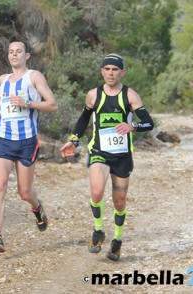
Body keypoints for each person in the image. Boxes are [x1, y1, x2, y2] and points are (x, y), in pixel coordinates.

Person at [59, 53, 154, 261]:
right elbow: (83, 119)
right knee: (96, 190)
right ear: (102, 71)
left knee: (119, 202)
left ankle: (117, 241)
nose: (111, 73)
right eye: (107, 69)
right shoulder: (94, 95)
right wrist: (74, 140)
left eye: (115, 69)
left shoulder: (130, 96)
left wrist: (133, 126)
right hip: (99, 151)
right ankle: (99, 229)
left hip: (122, 156)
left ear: (122, 72)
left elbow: (149, 123)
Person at [0, 39, 58, 253]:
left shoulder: (34, 77)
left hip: (26, 141)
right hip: (2, 138)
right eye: (11, 52)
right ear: (8, 56)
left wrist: (29, 103)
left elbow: (53, 104)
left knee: (24, 192)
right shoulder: (3, 79)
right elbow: (0, 100)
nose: (14, 55)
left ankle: (37, 207)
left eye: (19, 52)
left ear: (27, 56)